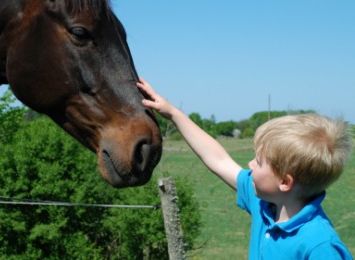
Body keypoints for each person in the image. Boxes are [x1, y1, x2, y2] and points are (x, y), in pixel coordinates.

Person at [137, 77, 353, 259]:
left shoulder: (320, 246)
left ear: (285, 182)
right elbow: (219, 160)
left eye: (258, 162)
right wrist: (173, 113)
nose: (250, 164)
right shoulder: (267, 204)